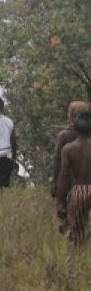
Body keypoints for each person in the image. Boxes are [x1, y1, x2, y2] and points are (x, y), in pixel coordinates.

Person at [56, 112, 91, 243]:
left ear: (75, 128)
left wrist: (61, 203)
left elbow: (63, 177)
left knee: (77, 233)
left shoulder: (69, 149)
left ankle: (78, 255)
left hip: (78, 192)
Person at [53, 101, 91, 197]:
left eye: (69, 112)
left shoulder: (64, 136)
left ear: (72, 115)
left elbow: (57, 161)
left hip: (71, 187)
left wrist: (54, 183)